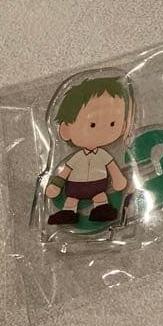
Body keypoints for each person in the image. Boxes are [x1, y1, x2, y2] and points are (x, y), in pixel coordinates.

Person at [44, 77, 131, 225]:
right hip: (75, 187)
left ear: (123, 126)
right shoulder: (77, 157)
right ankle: (68, 214)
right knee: (71, 200)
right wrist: (56, 185)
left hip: (98, 186)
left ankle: (101, 211)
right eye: (92, 124)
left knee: (100, 197)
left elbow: (112, 168)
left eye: (112, 123)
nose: (102, 131)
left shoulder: (103, 155)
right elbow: (65, 172)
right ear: (66, 130)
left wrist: (118, 179)